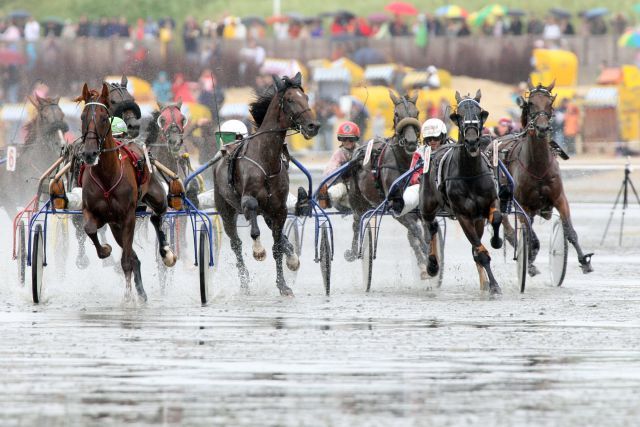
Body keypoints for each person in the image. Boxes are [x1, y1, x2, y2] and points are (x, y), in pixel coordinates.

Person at [394, 119, 450, 217]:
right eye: (429, 138)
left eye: (436, 138)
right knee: (416, 189)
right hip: (426, 189)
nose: (432, 141)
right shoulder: (420, 152)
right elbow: (413, 174)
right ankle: (400, 206)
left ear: (443, 136)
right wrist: (419, 179)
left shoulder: (451, 150)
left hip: (447, 187)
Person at [321, 121, 361, 210]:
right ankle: (326, 197)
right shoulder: (339, 154)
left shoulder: (361, 152)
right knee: (340, 188)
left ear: (356, 139)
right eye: (344, 139)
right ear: (340, 139)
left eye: (350, 139)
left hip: (359, 189)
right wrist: (342, 172)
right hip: (344, 194)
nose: (347, 142)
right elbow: (328, 174)